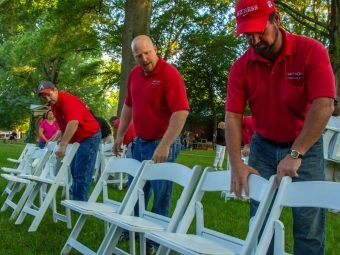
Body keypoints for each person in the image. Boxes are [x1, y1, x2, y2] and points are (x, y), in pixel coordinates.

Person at [225, 0, 336, 254]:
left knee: (308, 225)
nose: (254, 41)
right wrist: (236, 163)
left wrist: (295, 153)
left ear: (276, 19)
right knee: (261, 220)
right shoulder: (241, 67)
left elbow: (324, 104)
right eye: (246, 35)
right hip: (262, 147)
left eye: (259, 31)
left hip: (305, 149)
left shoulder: (311, 51)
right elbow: (232, 116)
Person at [113, 35, 189, 254]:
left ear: (155, 49)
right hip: (139, 143)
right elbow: (128, 106)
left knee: (160, 193)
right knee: (135, 190)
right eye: (138, 55)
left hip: (162, 144)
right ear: (134, 56)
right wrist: (120, 135)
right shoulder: (134, 74)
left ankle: (155, 240)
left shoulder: (169, 74)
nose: (144, 58)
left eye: (147, 53)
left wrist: (165, 145)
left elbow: (180, 111)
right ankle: (134, 228)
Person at [37, 81, 101, 201]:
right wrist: (57, 140)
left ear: (55, 90)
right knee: (73, 169)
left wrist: (63, 145)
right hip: (76, 138)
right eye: (44, 97)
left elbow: (73, 122)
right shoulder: (54, 106)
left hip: (89, 136)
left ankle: (80, 203)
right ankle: (75, 196)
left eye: (49, 94)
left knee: (82, 171)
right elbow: (63, 126)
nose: (47, 98)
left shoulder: (68, 101)